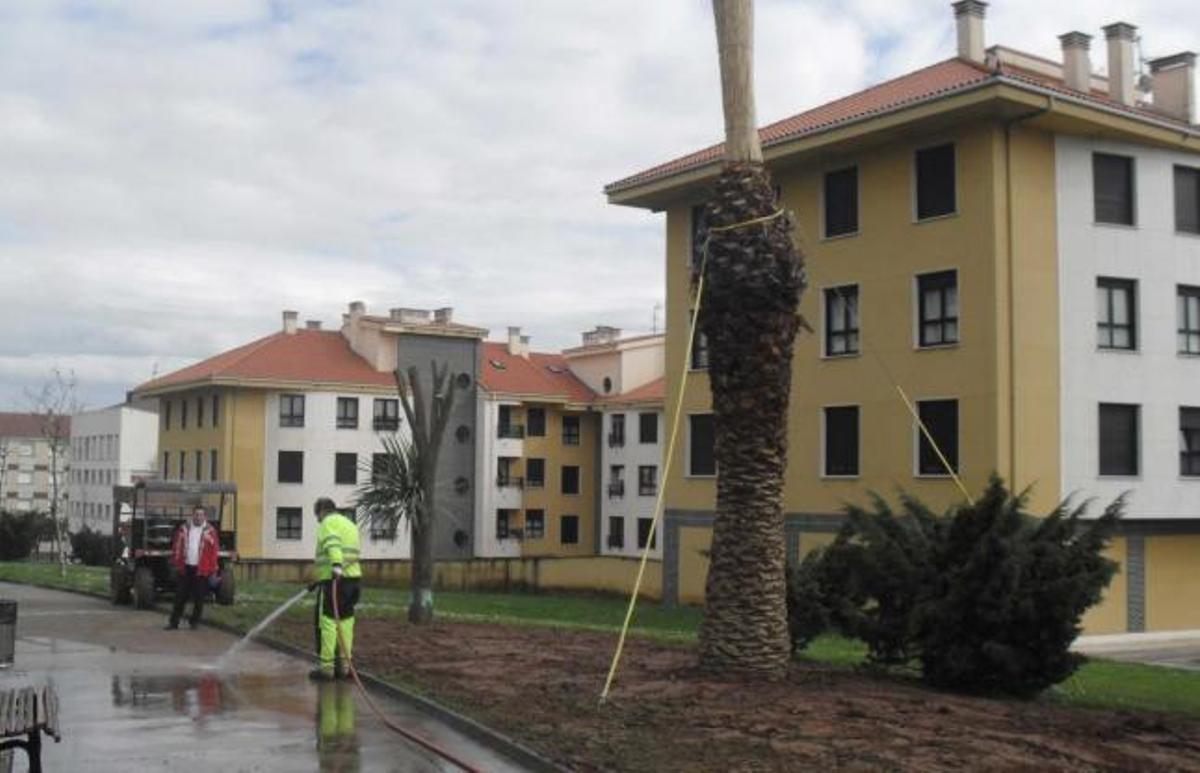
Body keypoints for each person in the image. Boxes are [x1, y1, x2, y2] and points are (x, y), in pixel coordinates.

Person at [311, 497, 361, 681]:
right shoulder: (349, 524)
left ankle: (327, 669)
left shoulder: (328, 522)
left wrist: (336, 565)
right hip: (353, 579)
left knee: (328, 623)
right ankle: (345, 667)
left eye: (317, 515)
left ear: (322, 511)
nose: (318, 520)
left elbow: (332, 544)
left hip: (335, 582)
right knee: (346, 623)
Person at [166, 505, 220, 630]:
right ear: (192, 515)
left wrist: (212, 569)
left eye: (201, 514)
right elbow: (176, 546)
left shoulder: (210, 531)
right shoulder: (184, 529)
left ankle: (194, 622)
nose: (198, 517)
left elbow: (214, 551)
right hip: (185, 568)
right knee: (180, 596)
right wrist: (176, 562)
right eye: (196, 514)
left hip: (201, 569)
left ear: (205, 516)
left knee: (199, 598)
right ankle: (173, 623)